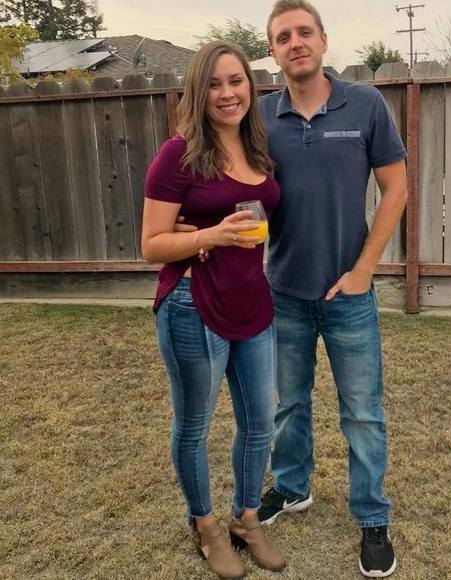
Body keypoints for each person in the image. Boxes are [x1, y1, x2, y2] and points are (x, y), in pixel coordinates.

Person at [256, 1, 408, 578]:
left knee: (362, 412)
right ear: (273, 51)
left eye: (304, 32)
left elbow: (395, 189)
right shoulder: (260, 117)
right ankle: (292, 487)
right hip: (283, 291)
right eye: (282, 37)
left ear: (323, 40)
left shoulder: (364, 104)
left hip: (349, 293)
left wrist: (365, 269)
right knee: (287, 404)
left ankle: (372, 515)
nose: (295, 42)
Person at [141, 40, 286, 579]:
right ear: (198, 93)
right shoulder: (176, 155)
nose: (228, 94)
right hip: (192, 305)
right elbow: (151, 245)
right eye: (215, 84)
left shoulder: (258, 149)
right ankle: (204, 526)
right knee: (195, 425)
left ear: (250, 86)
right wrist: (209, 235)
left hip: (253, 302)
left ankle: (247, 519)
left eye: (236, 81)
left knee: (259, 422)